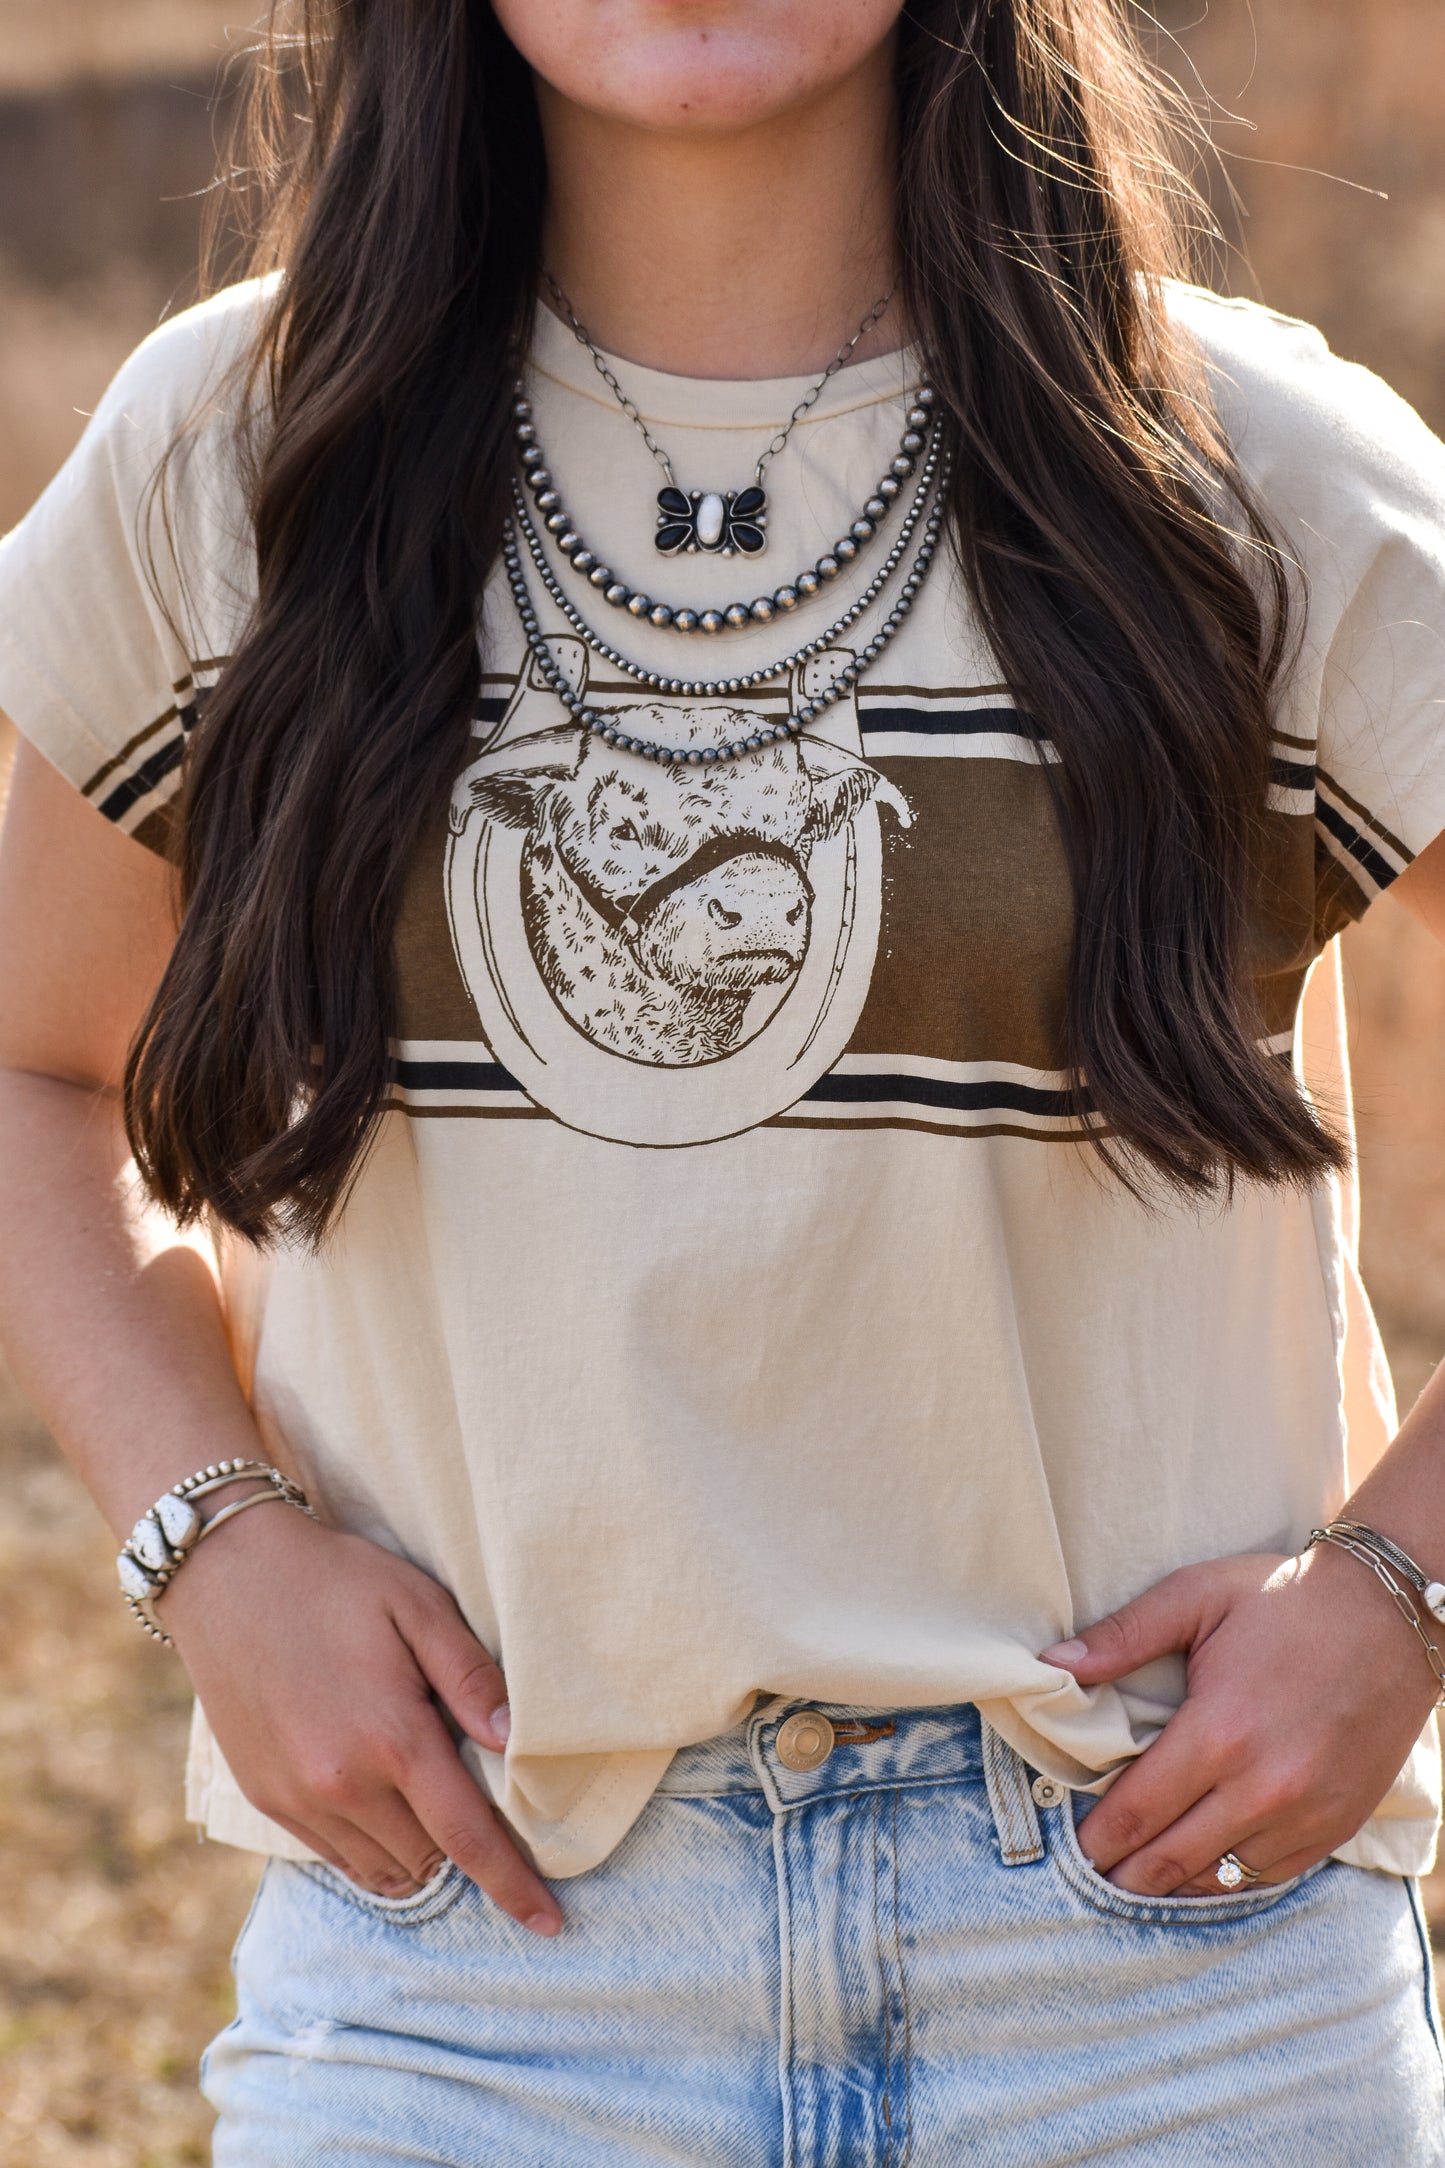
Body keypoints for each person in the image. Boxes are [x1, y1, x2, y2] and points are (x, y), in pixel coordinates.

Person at [0, 0, 1443, 2157]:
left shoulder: (1240, 463)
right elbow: (31, 1064)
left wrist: (1404, 1587)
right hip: (476, 1972)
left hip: (1167, 1974)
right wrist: (209, 1542)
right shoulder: (241, 451)